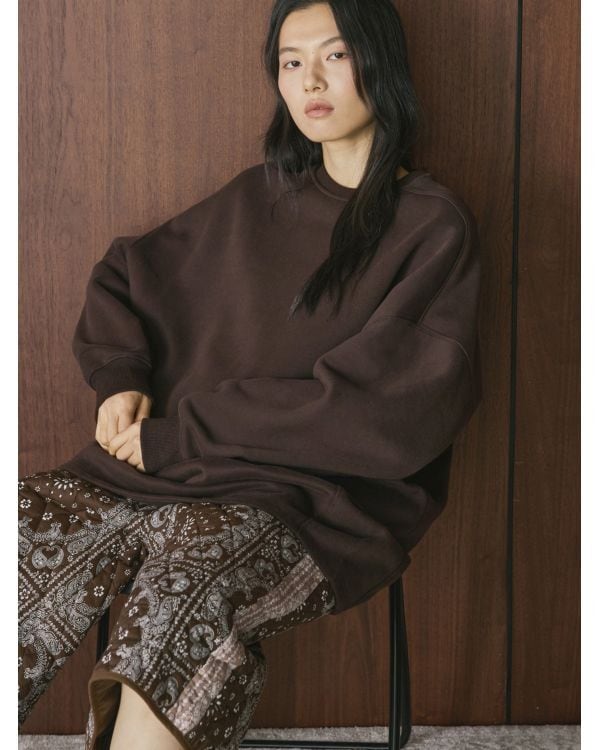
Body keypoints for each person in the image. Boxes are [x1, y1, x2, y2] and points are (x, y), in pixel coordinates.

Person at [18, 1, 483, 749]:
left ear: (380, 62)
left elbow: (384, 415)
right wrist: (119, 378)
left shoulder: (431, 226)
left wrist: (185, 434)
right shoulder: (256, 197)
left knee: (184, 591)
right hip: (154, 475)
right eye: (292, 62)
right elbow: (124, 275)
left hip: (313, 506)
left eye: (335, 55)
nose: (311, 81)